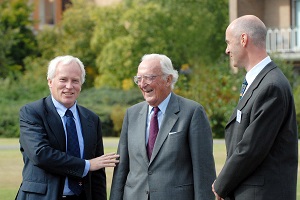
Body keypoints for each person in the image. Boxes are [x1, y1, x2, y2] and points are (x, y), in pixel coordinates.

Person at [212, 15, 298, 200]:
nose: (227, 50)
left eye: (228, 42)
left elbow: (251, 148)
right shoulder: (261, 82)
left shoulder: (271, 86)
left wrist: (221, 185)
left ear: (243, 40)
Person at [109, 53, 216, 200]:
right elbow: (121, 169)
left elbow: (204, 171)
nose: (142, 84)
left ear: (168, 79)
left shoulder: (192, 112)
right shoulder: (131, 114)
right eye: (139, 79)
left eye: (149, 77)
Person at [16, 55, 119, 200]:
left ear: (81, 85)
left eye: (75, 81)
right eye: (63, 79)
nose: (69, 86)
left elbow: (97, 174)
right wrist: (86, 165)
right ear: (50, 82)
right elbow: (40, 154)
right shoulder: (32, 112)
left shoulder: (92, 119)